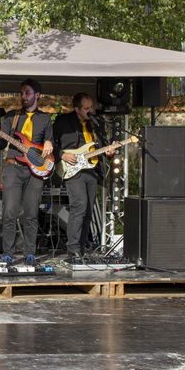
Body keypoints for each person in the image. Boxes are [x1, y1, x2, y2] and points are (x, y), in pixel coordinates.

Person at [0, 78, 53, 266]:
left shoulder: (45, 119)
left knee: (31, 213)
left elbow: (50, 144)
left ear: (37, 96)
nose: (23, 96)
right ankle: (8, 253)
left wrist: (50, 141)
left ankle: (30, 253)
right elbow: (1, 144)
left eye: (27, 93)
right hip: (13, 168)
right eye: (22, 93)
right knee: (9, 211)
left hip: (35, 171)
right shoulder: (10, 117)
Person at [53, 92, 117, 260]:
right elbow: (50, 143)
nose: (90, 111)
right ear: (77, 109)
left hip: (92, 169)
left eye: (91, 108)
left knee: (88, 210)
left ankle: (81, 248)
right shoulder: (63, 122)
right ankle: (72, 248)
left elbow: (104, 146)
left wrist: (110, 152)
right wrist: (62, 155)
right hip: (74, 169)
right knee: (79, 205)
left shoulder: (96, 123)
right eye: (86, 108)